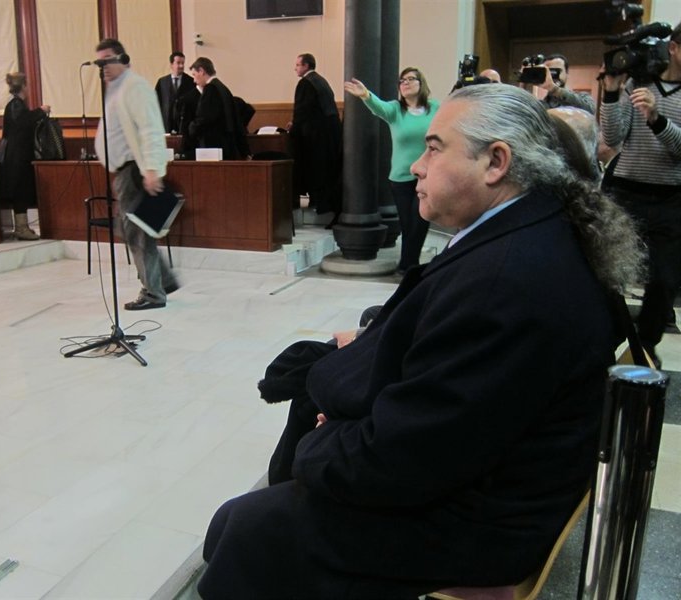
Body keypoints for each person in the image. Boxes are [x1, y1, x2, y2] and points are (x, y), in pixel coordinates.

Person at [197, 84, 644, 598]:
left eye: (434, 149)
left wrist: (326, 439)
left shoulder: (506, 279)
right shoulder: (526, 228)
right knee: (242, 515)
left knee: (250, 529)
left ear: (496, 162)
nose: (416, 166)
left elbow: (405, 460)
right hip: (476, 472)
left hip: (485, 518)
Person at [599, 21, 681, 367]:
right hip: (626, 191)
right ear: (674, 47)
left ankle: (644, 346)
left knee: (664, 280)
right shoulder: (638, 82)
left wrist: (656, 118)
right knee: (606, 271)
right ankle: (609, 337)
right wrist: (612, 92)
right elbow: (613, 136)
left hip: (671, 197)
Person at [93, 38, 177, 310]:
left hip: (135, 170)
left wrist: (152, 169)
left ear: (122, 58)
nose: (103, 67)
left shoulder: (134, 86)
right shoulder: (116, 89)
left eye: (107, 60)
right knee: (134, 229)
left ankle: (154, 292)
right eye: (99, 62)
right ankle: (162, 280)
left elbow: (151, 128)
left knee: (137, 233)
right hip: (124, 172)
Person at [345, 67, 438, 271]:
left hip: (427, 176)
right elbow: (378, 107)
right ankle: (409, 264)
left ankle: (407, 264)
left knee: (421, 219)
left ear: (421, 83)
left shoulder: (435, 109)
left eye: (410, 79)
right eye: (402, 81)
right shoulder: (396, 110)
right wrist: (365, 95)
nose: (405, 83)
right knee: (408, 223)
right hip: (401, 178)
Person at [288, 53, 342, 216]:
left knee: (313, 169)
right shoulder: (321, 81)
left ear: (306, 66)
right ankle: (324, 202)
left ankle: (316, 202)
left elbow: (302, 110)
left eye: (298, 65)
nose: (295, 68)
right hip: (329, 133)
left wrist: (294, 127)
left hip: (314, 136)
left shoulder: (305, 83)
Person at [0, 72, 50, 240]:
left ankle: (22, 226)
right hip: (17, 156)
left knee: (22, 189)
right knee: (20, 189)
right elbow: (23, 122)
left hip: (18, 154)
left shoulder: (16, 104)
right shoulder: (16, 104)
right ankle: (21, 228)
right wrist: (41, 111)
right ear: (23, 86)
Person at [187, 57, 248, 160]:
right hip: (227, 144)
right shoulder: (222, 87)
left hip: (214, 145)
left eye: (194, 75)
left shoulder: (210, 89)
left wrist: (191, 128)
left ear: (201, 71)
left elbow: (204, 118)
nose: (194, 80)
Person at [155, 51, 195, 134]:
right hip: (166, 125)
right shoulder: (162, 82)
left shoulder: (191, 82)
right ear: (171, 64)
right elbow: (156, 103)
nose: (181, 66)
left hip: (184, 126)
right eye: (178, 63)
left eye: (183, 63)